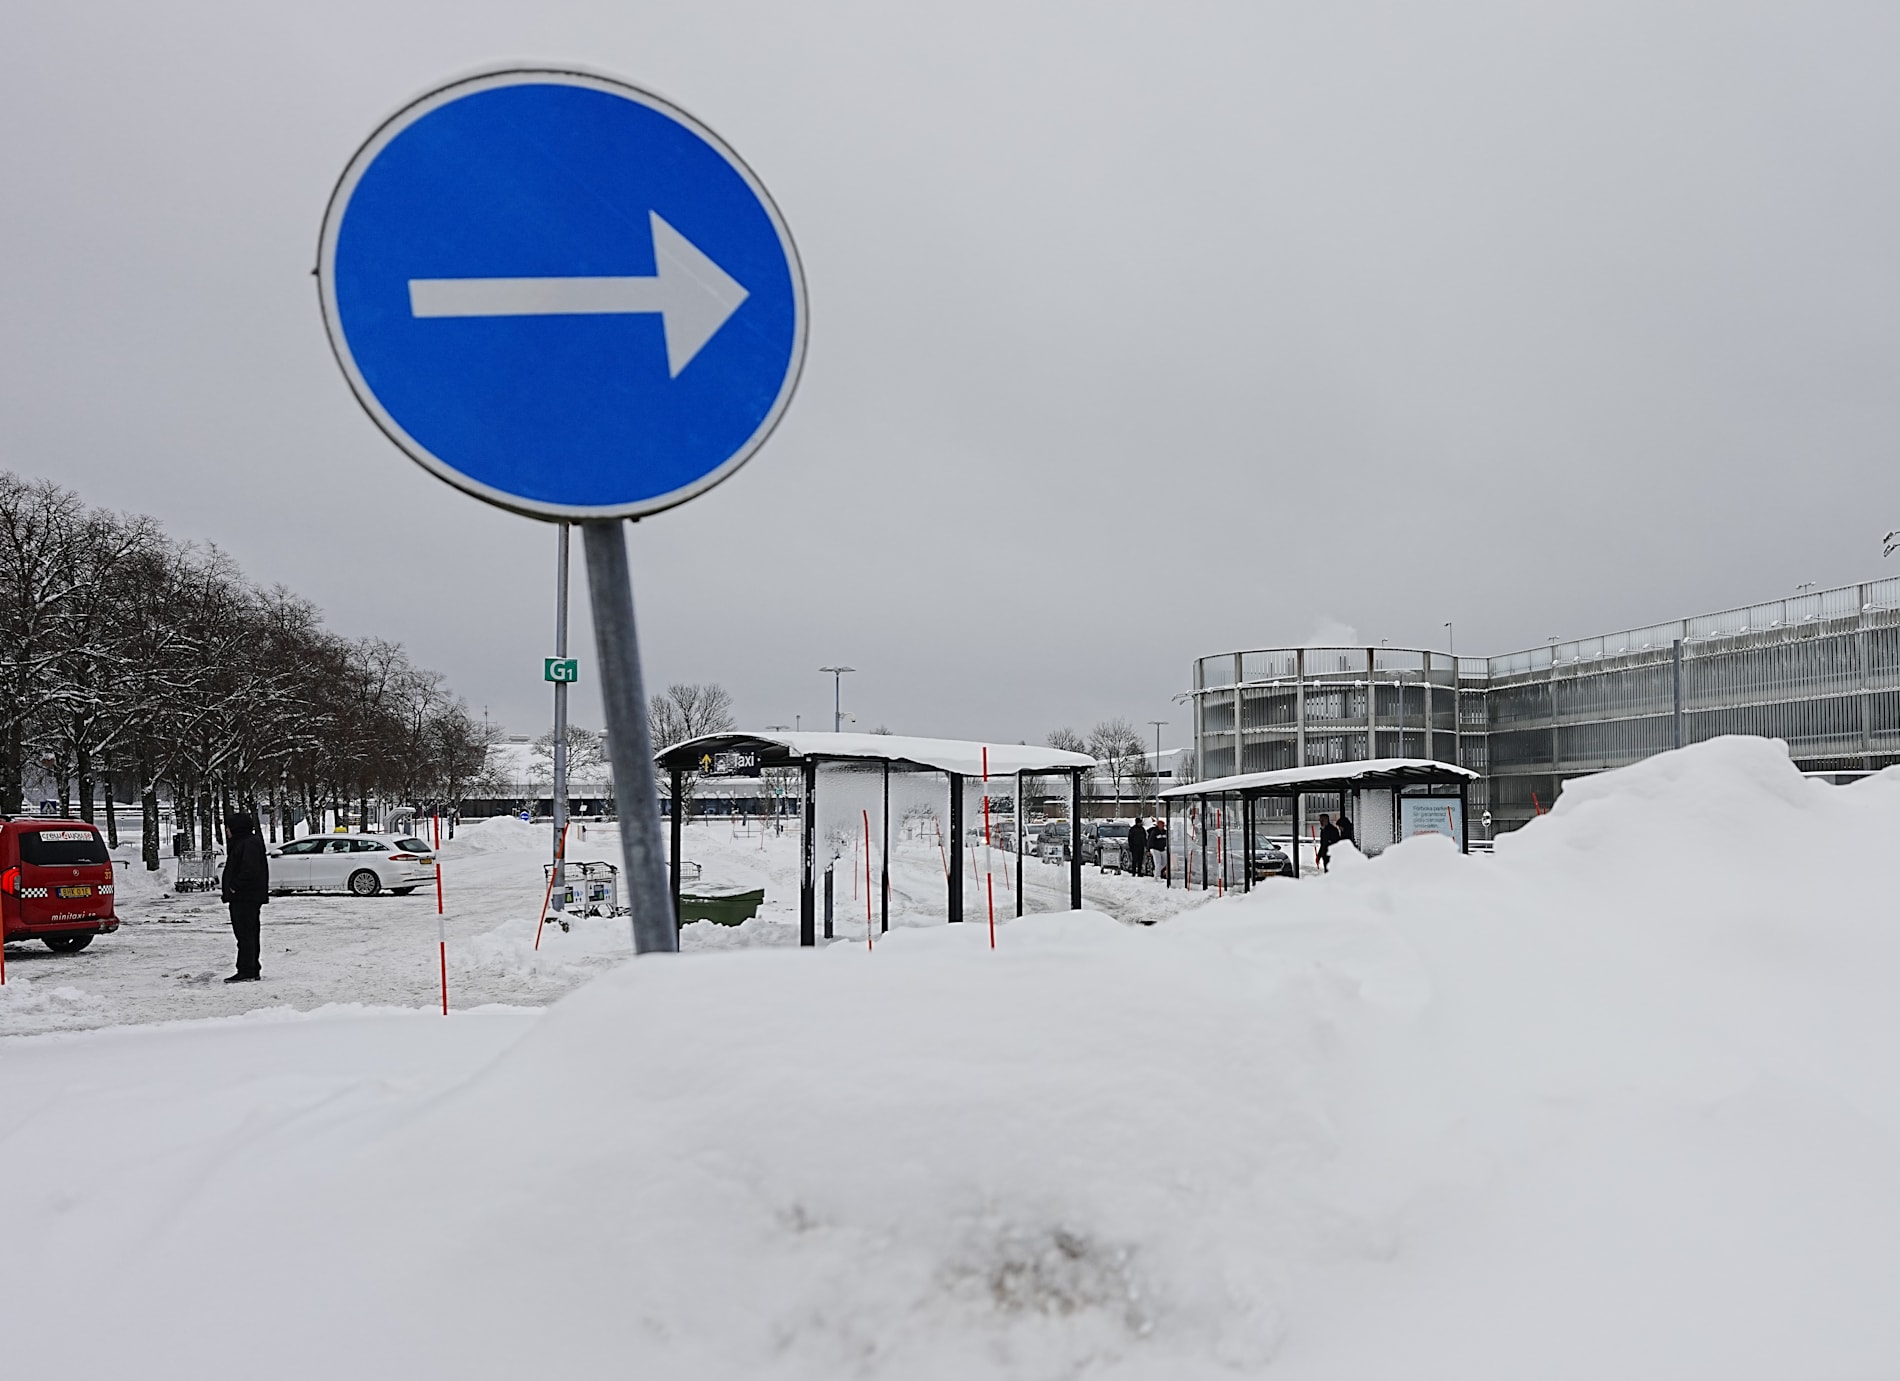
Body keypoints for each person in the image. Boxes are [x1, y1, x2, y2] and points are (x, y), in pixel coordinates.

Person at [220, 812, 270, 983]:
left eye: (228, 827)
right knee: (248, 934)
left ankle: (247, 970)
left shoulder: (246, 844)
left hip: (245, 897)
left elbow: (249, 870)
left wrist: (235, 886)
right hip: (247, 896)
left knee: (245, 934)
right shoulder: (247, 842)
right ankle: (250, 968)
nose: (226, 831)